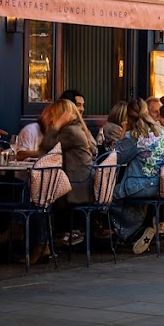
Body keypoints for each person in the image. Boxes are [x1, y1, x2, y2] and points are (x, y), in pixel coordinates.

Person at [110, 98, 164, 255]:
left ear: (128, 116)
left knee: (108, 197)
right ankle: (140, 228)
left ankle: (135, 231)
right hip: (163, 185)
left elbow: (117, 158)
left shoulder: (134, 137)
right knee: (125, 197)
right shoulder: (162, 133)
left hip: (140, 185)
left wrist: (123, 134)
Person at [36, 99, 94, 260]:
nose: (51, 118)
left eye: (54, 115)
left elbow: (46, 147)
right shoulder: (79, 128)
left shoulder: (69, 132)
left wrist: (54, 126)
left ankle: (42, 243)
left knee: (39, 200)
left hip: (74, 188)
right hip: (81, 183)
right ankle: (43, 242)